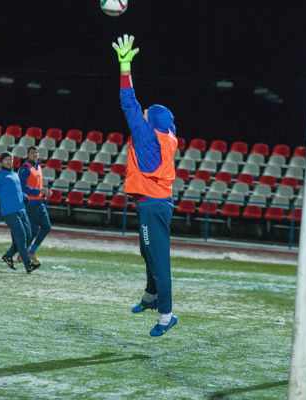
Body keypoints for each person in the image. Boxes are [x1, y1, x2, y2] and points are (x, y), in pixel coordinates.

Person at [112, 34, 178, 336]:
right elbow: (163, 119)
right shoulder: (167, 134)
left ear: (151, 122)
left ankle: (167, 316)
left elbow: (129, 103)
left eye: (147, 113)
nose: (143, 114)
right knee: (146, 250)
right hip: (155, 201)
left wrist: (125, 66)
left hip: (152, 205)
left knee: (158, 260)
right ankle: (151, 297)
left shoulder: (147, 137)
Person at [0, 151, 41, 273]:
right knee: (21, 236)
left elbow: (17, 189)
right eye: (6, 159)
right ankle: (28, 264)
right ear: (1, 161)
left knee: (28, 235)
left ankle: (8, 255)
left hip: (21, 209)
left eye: (10, 159)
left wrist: (24, 196)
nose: (9, 161)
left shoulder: (15, 174)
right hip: (9, 212)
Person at [17, 146, 52, 263]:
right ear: (28, 154)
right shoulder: (25, 168)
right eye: (32, 152)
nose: (35, 154)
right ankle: (22, 254)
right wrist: (39, 191)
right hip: (30, 203)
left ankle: (31, 252)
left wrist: (44, 192)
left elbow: (37, 186)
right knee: (33, 230)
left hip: (39, 202)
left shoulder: (39, 167)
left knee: (46, 227)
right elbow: (22, 187)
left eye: (36, 152)